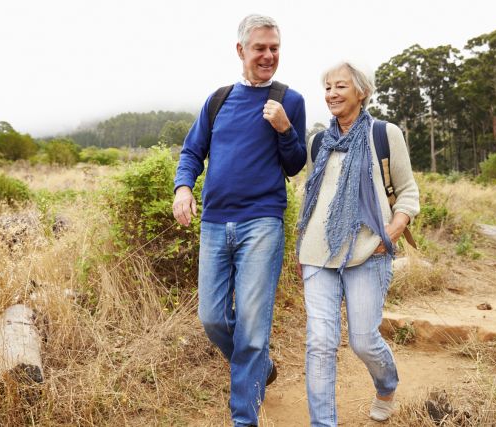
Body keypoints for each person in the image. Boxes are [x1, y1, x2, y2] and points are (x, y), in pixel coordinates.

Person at [172, 14, 306, 427]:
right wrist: (183, 188)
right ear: (241, 51)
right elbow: (193, 152)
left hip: (262, 222)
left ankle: (243, 418)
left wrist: (285, 129)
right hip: (214, 222)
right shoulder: (219, 99)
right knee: (211, 317)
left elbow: (295, 164)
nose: (268, 55)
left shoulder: (290, 100)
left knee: (251, 326)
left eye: (275, 48)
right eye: (260, 48)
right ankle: (259, 368)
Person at [296, 61, 420, 426]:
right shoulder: (318, 140)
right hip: (318, 252)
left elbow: (408, 191)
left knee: (363, 341)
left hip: (368, 250)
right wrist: (301, 244)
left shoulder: (384, 134)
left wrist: (392, 233)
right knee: (320, 342)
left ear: (361, 92)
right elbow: (311, 195)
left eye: (340, 87)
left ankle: (386, 386)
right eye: (328, 87)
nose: (331, 94)